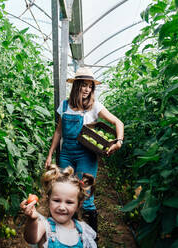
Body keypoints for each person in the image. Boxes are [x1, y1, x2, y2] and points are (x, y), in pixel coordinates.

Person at [44, 67, 124, 233]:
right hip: (66, 155)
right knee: (66, 193)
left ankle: (91, 237)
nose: (87, 89)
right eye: (84, 85)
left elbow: (118, 123)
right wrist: (50, 154)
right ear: (77, 85)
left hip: (86, 156)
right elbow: (59, 131)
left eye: (90, 86)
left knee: (86, 197)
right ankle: (69, 232)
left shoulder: (94, 107)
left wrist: (118, 141)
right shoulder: (64, 105)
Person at [20, 164, 97, 248]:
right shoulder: (46, 226)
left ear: (78, 205)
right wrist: (32, 220)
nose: (62, 207)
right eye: (57, 201)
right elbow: (31, 239)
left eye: (69, 202)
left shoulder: (82, 230)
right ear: (48, 201)